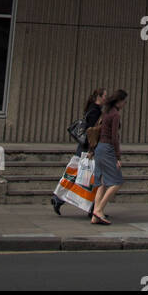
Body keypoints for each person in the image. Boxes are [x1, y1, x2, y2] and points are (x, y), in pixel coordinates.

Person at [51, 87, 106, 216]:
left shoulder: (92, 109)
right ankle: (90, 207)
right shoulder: (95, 111)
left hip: (85, 148)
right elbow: (91, 132)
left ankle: (91, 207)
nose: (105, 98)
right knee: (87, 177)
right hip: (88, 149)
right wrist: (92, 149)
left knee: (83, 176)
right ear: (99, 96)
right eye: (104, 96)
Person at [91, 88, 128, 225]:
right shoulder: (115, 115)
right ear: (119, 101)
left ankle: (95, 215)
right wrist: (118, 157)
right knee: (117, 181)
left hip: (99, 148)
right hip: (107, 149)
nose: (125, 104)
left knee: (101, 183)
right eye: (124, 101)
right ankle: (99, 210)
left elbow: (98, 131)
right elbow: (114, 138)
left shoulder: (105, 112)